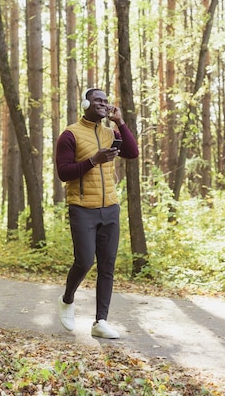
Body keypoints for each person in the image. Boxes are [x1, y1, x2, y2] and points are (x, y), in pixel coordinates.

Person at [55, 88, 139, 339]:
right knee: (84, 260)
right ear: (85, 104)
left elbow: (132, 153)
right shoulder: (70, 134)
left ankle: (100, 321)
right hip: (82, 208)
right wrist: (94, 160)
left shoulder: (110, 133)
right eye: (98, 101)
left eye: (106, 101)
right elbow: (64, 172)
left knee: (107, 266)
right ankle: (67, 300)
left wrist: (121, 122)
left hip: (110, 207)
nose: (104, 104)